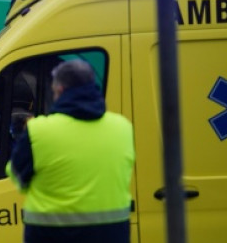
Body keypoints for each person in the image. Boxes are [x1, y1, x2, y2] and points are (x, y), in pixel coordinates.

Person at [7, 59, 135, 243]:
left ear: (59, 90)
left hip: (52, 236)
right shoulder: (123, 127)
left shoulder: (39, 131)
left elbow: (17, 176)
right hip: (111, 235)